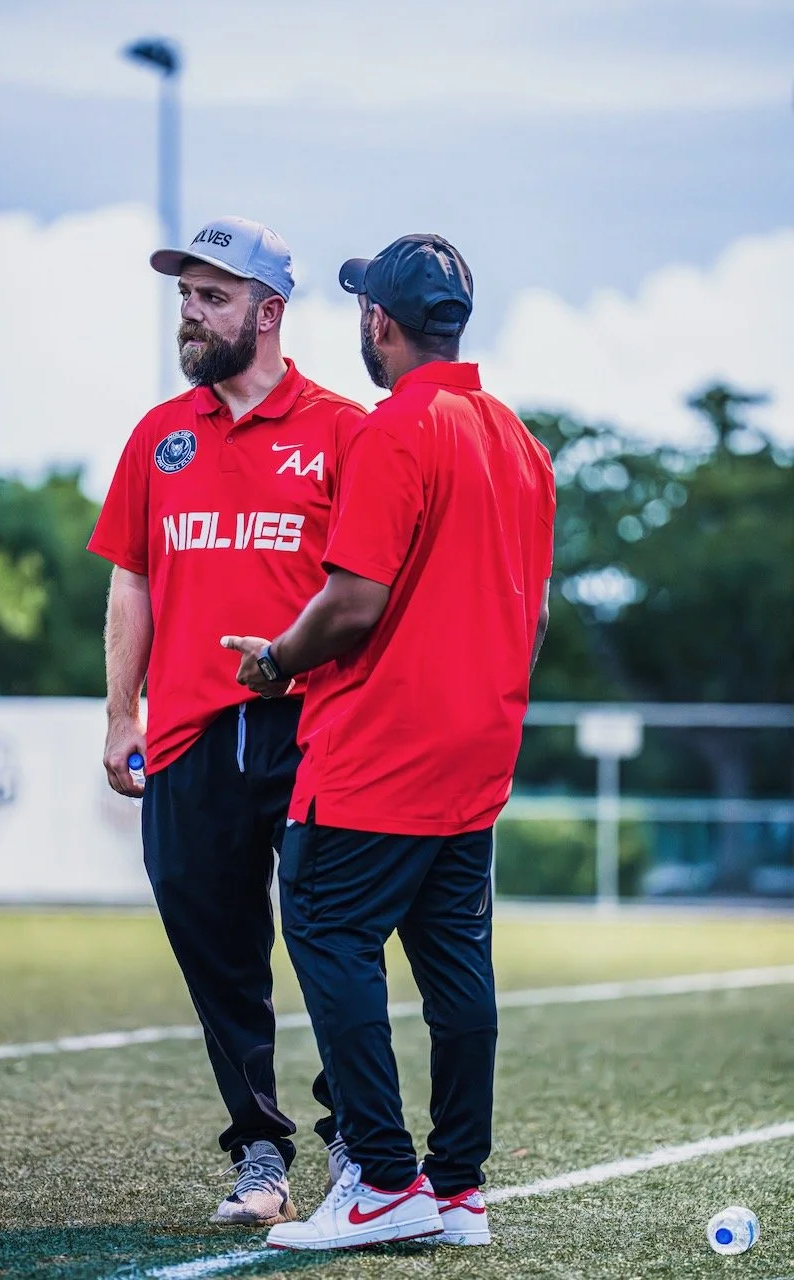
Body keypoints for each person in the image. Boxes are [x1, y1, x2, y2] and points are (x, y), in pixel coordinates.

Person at [223, 232, 556, 1251]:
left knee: (325, 926)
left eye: (363, 307)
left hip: (378, 749)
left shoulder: (395, 430)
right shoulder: (517, 440)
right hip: (476, 747)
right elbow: (533, 615)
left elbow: (354, 601)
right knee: (456, 963)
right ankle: (457, 1189)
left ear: (378, 322)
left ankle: (382, 1179)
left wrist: (276, 657)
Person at [87, 215, 366, 1227]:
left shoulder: (344, 429)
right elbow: (132, 580)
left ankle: (360, 1150)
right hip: (189, 736)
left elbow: (373, 587)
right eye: (185, 298)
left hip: (316, 725)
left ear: (269, 310)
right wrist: (123, 710)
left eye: (212, 296)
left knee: (330, 939)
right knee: (218, 948)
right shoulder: (157, 436)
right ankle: (260, 1149)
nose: (191, 315)